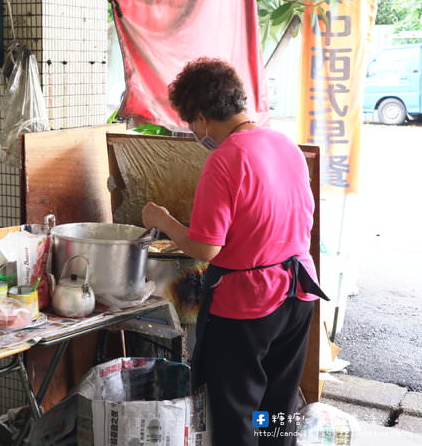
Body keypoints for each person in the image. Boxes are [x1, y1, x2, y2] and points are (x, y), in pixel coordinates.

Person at [141, 58, 329, 445]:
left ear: (201, 117)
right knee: (278, 408)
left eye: (190, 122)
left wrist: (164, 220)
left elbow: (206, 247)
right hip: (298, 293)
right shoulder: (285, 144)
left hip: (248, 304)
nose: (194, 131)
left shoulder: (224, 159)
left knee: (237, 410)